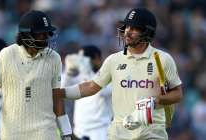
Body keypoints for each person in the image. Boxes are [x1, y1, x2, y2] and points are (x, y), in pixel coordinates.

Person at [59, 8, 183, 140]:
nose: (127, 32)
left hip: (152, 134)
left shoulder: (162, 59)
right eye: (127, 27)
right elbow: (91, 87)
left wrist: (155, 101)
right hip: (119, 134)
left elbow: (177, 94)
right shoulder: (114, 60)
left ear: (147, 32)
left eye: (134, 28)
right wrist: (59, 93)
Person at [0, 10, 72, 140]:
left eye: (47, 34)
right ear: (27, 34)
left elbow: (57, 97)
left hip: (45, 132)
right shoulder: (7, 55)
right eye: (41, 34)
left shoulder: (54, 58)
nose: (46, 38)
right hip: (13, 133)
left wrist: (66, 131)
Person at [63, 45, 113, 140]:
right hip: (78, 132)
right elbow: (63, 91)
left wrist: (86, 71)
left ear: (97, 58)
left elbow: (100, 91)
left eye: (84, 59)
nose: (82, 64)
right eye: (80, 60)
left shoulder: (109, 76)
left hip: (100, 132)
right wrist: (68, 73)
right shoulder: (80, 77)